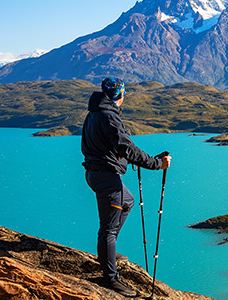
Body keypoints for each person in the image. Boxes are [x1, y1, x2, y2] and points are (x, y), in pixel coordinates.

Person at [81, 77, 171, 297]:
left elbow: (111, 147)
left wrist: (128, 160)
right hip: (106, 178)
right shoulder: (109, 116)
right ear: (120, 95)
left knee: (127, 202)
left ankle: (107, 253)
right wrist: (156, 164)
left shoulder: (94, 113)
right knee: (109, 228)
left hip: (97, 173)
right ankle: (110, 278)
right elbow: (126, 147)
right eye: (124, 92)